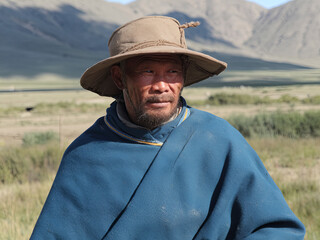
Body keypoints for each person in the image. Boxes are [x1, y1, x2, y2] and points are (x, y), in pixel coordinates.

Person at [31, 16, 305, 239]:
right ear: (119, 78)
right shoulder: (87, 155)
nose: (161, 85)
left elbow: (278, 230)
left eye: (172, 71)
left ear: (183, 77)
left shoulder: (218, 140)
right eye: (147, 71)